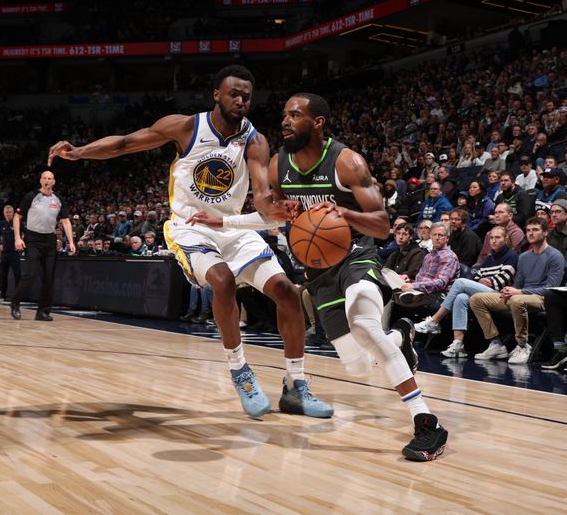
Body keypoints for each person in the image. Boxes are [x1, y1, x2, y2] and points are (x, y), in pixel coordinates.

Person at [49, 65, 334, 420]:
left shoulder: (255, 140)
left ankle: (295, 387)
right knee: (222, 280)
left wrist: (275, 206)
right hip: (189, 227)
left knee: (288, 293)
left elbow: (260, 195)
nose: (240, 100)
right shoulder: (185, 126)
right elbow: (124, 144)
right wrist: (79, 152)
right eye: (234, 93)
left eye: (246, 96)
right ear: (217, 94)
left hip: (231, 227)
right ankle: (240, 371)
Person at [189, 93, 447, 461]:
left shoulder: (347, 162)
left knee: (363, 325)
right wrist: (226, 221)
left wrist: (343, 213)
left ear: (318, 122)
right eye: (284, 114)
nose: (286, 120)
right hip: (318, 270)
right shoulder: (280, 164)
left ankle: (426, 423)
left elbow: (383, 226)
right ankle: (400, 336)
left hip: (357, 255)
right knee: (357, 364)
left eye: (295, 114)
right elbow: (275, 216)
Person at [469, 217, 564, 364]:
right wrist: (509, 289)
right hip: (520, 295)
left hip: (542, 298)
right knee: (476, 299)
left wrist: (519, 292)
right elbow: (518, 283)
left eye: (535, 230)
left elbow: (550, 289)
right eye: (528, 230)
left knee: (516, 300)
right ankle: (495, 343)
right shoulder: (524, 256)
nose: (530, 233)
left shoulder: (555, 256)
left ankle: (522, 345)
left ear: (545, 232)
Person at [415, 226, 518, 357]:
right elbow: (476, 276)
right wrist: (482, 280)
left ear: (506, 239)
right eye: (491, 237)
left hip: (501, 295)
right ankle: (458, 344)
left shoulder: (511, 256)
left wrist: (487, 281)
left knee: (460, 283)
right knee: (461, 297)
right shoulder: (489, 257)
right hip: (485, 292)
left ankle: (435, 321)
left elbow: (504, 280)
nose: (493, 240)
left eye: (498, 237)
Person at [9, 171, 75, 321]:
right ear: (40, 181)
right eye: (45, 178)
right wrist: (17, 238)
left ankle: (43, 311)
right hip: (33, 239)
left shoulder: (58, 199)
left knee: (49, 277)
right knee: (30, 273)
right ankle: (15, 303)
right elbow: (17, 217)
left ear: (54, 182)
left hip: (50, 240)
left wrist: (71, 242)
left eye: (50, 178)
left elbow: (65, 221)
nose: (47, 180)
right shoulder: (31, 196)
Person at [0, 205, 20, 300]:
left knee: (17, 274)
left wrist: (22, 241)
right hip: (4, 253)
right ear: (4, 213)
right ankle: (3, 295)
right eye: (7, 212)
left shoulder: (17, 222)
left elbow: (25, 232)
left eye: (10, 212)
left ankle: (17, 296)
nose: (9, 214)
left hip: (15, 252)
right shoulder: (2, 224)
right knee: (3, 274)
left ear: (13, 212)